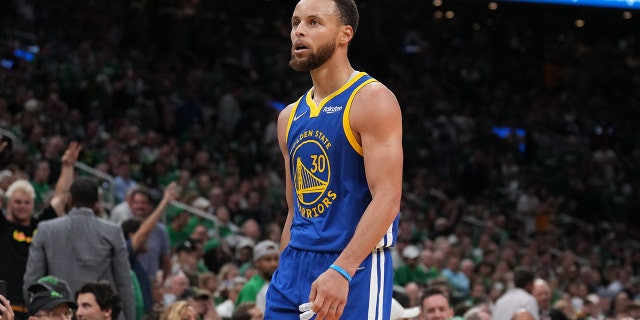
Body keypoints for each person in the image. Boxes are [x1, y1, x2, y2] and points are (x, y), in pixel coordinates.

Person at [264, 0, 403, 319]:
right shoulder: (289, 117)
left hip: (353, 266)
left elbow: (387, 198)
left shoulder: (371, 99)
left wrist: (342, 270)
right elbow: (295, 210)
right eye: (296, 22)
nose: (299, 31)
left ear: (345, 34)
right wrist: (285, 268)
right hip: (293, 270)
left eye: (314, 22)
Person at [23, 177, 135, 320]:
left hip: (59, 313)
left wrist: (39, 314)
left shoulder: (46, 229)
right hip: (98, 314)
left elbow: (32, 281)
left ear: (70, 200)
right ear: (97, 202)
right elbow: (124, 284)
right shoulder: (112, 232)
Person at [235, 240, 279, 310]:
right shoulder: (251, 288)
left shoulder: (281, 284)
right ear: (257, 262)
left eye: (276, 259)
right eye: (268, 259)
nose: (273, 264)